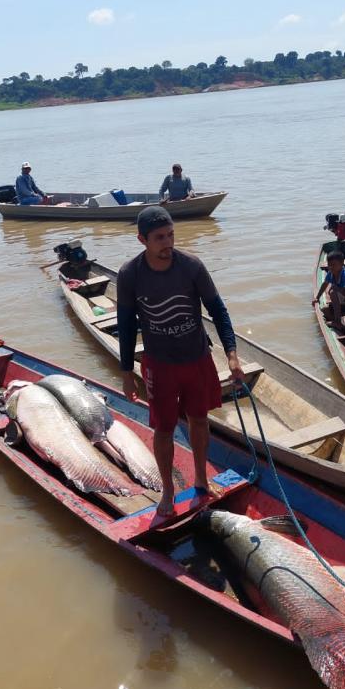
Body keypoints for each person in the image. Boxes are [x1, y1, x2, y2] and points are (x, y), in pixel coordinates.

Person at [117, 205, 243, 521]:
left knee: (199, 419)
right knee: (164, 427)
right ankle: (168, 493)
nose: (167, 243)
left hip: (196, 357)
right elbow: (127, 324)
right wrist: (126, 372)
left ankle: (201, 478)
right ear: (141, 240)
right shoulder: (130, 275)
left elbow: (219, 310)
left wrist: (232, 354)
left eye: (171, 235)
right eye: (159, 238)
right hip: (159, 364)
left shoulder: (192, 267)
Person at [312, 249, 345, 330]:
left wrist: (336, 289)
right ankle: (337, 317)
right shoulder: (331, 273)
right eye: (329, 265)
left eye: (334, 265)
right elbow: (325, 284)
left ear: (342, 264)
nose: (331, 267)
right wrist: (317, 298)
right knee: (326, 310)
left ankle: (337, 322)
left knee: (332, 292)